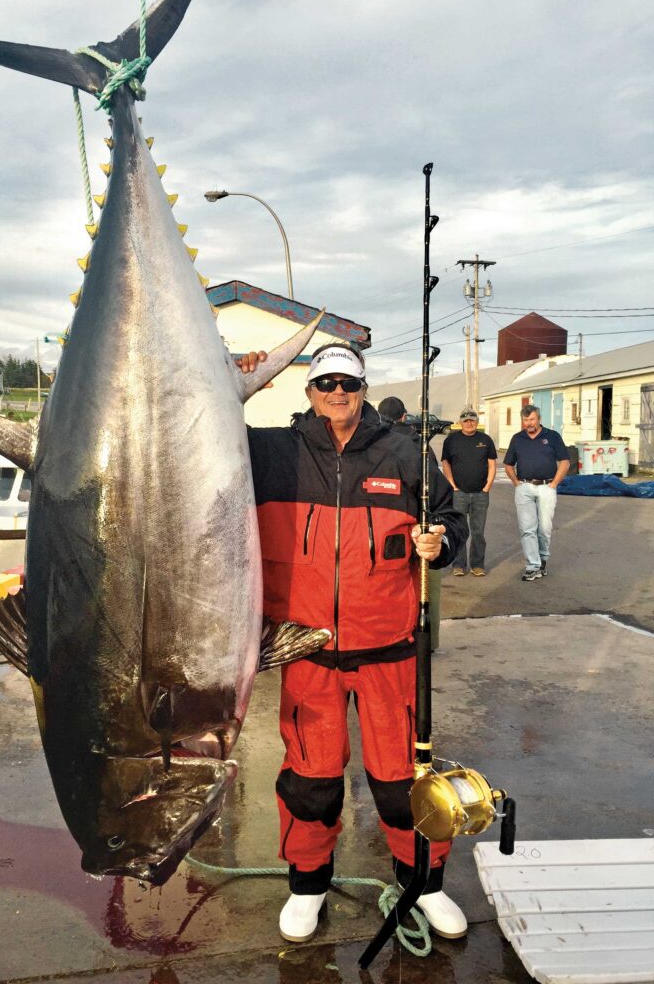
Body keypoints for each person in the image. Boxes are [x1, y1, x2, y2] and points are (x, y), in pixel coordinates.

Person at [241, 342, 469, 944]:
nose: (337, 392)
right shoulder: (271, 452)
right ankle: (307, 886)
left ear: (363, 388)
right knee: (310, 781)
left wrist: (438, 542)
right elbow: (201, 430)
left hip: (390, 648)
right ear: (309, 391)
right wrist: (228, 373)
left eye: (348, 382)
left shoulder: (405, 450)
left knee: (401, 780)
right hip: (305, 651)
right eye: (325, 383)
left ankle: (425, 882)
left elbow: (451, 518)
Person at [503, 404, 570, 581]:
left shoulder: (552, 437)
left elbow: (565, 461)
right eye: (526, 420)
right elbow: (508, 464)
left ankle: (543, 559)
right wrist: (516, 483)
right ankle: (533, 566)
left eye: (532, 419)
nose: (529, 423)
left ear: (539, 419)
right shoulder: (517, 439)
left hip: (547, 487)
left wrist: (554, 484)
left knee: (545, 528)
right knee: (527, 529)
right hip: (524, 488)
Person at [441, 408, 497, 577]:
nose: (469, 423)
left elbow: (492, 465)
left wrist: (487, 486)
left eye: (472, 420)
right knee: (459, 530)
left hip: (481, 494)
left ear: (477, 422)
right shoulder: (451, 440)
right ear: (460, 423)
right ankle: (458, 564)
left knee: (478, 531)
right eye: (466, 421)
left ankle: (477, 564)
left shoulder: (485, 440)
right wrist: (453, 486)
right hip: (459, 494)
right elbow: (445, 463)